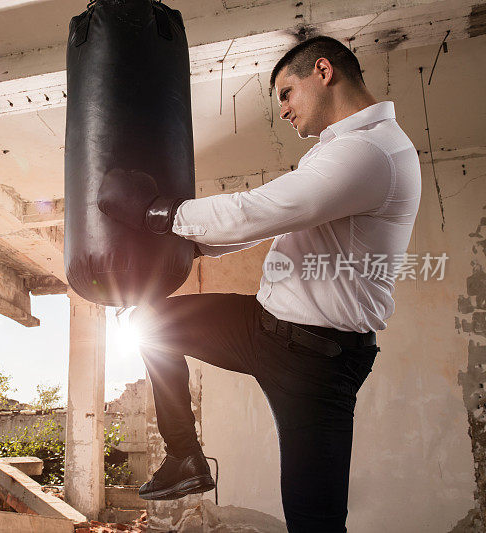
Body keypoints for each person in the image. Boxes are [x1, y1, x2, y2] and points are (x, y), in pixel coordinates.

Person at [96, 35, 421, 532]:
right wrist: (183, 247)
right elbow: (275, 225)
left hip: (318, 360)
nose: (284, 111)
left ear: (323, 71)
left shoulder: (370, 152)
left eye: (287, 93)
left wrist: (158, 214)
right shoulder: (337, 150)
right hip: (266, 326)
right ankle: (185, 456)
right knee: (153, 323)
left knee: (313, 519)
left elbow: (264, 209)